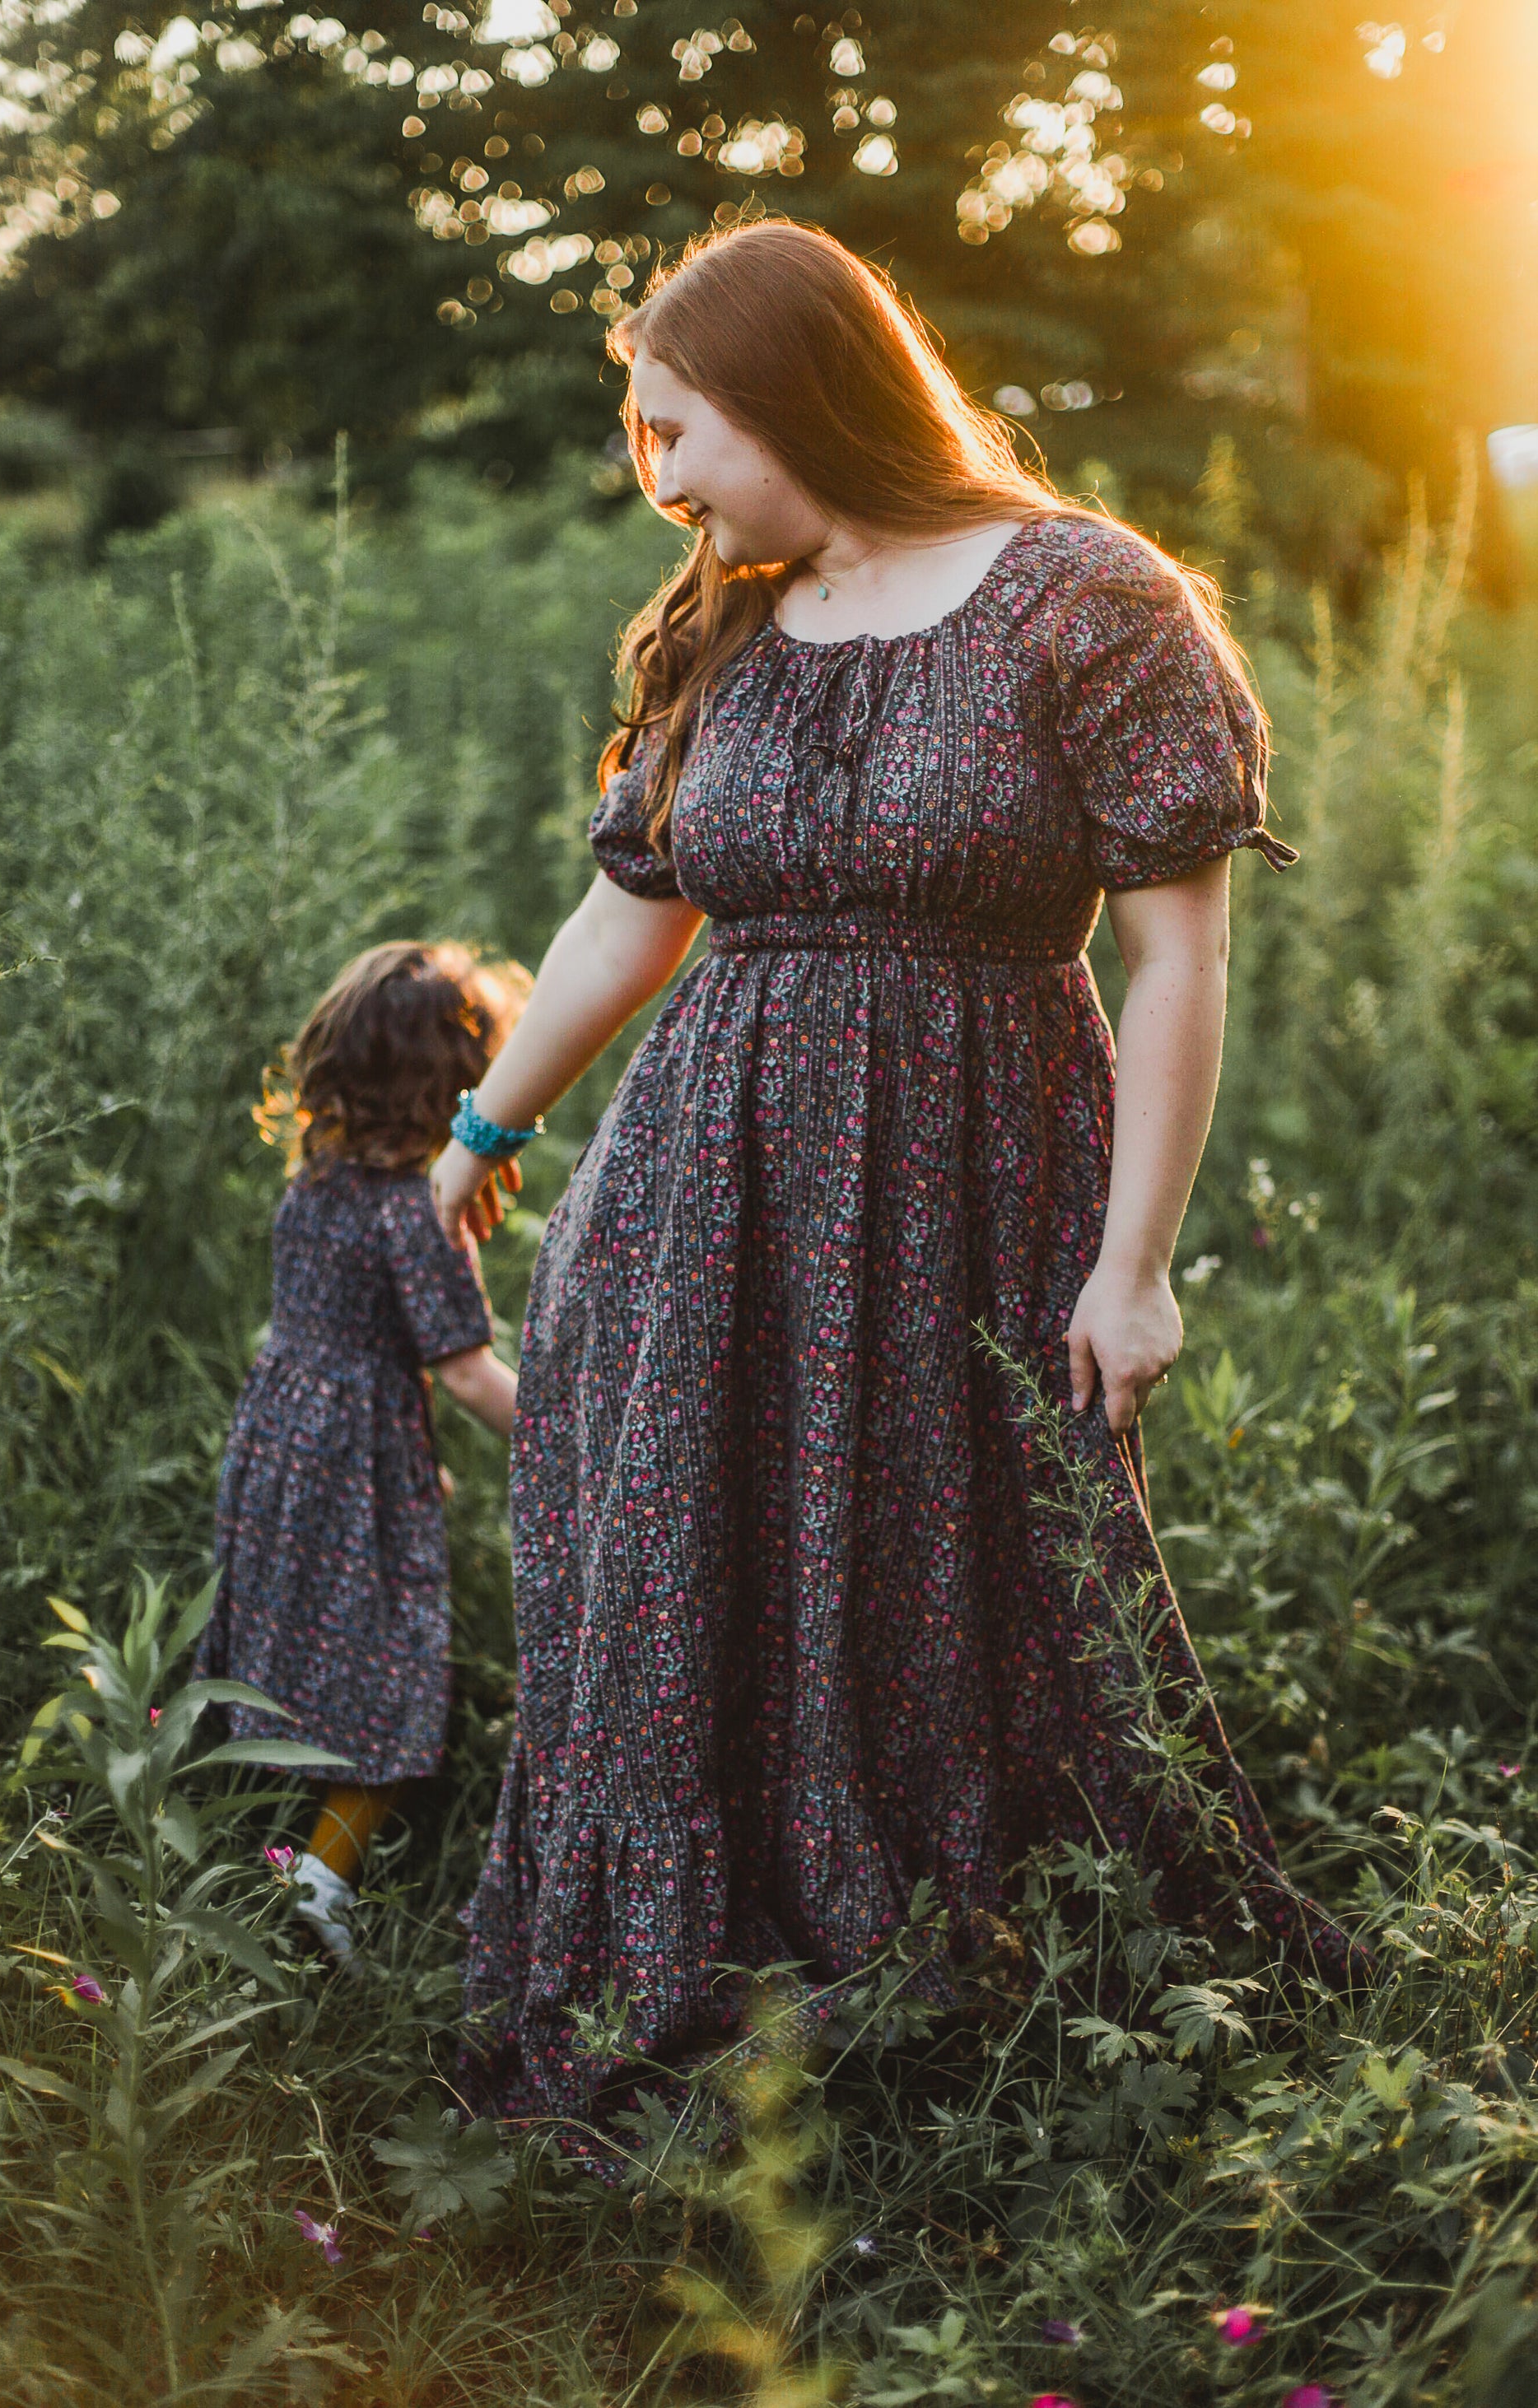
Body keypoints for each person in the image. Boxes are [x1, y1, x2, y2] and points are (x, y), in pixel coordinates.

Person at [434, 220, 1359, 2123]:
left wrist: (1138, 1263)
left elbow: (1176, 953)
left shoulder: (1087, 598)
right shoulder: (730, 621)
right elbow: (629, 920)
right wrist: (484, 1124)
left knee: (973, 1558)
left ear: (793, 393)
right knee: (691, 1557)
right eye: (643, 440)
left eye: (676, 431)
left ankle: (978, 1965)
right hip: (702, 1192)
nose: (662, 479)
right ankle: (705, 1955)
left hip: (977, 1173)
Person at [198, 941, 526, 1960]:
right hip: (353, 1466)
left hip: (279, 1442)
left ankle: (240, 1842)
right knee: (393, 1676)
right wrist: (576, 1433)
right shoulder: (416, 1211)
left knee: (282, 1644)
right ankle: (320, 1876)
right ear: (455, 1083)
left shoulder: (315, 1181)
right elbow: (468, 1373)